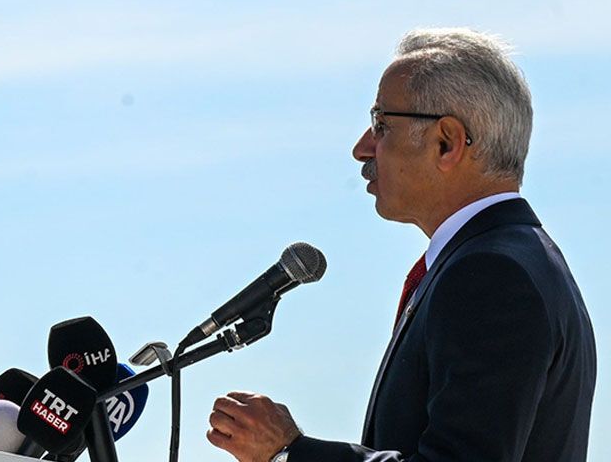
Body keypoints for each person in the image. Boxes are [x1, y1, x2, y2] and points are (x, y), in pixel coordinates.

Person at [205, 29, 596, 462]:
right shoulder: (514, 260)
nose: (362, 149)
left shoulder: (493, 273)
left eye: (382, 125)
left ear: (447, 142)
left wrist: (289, 453)